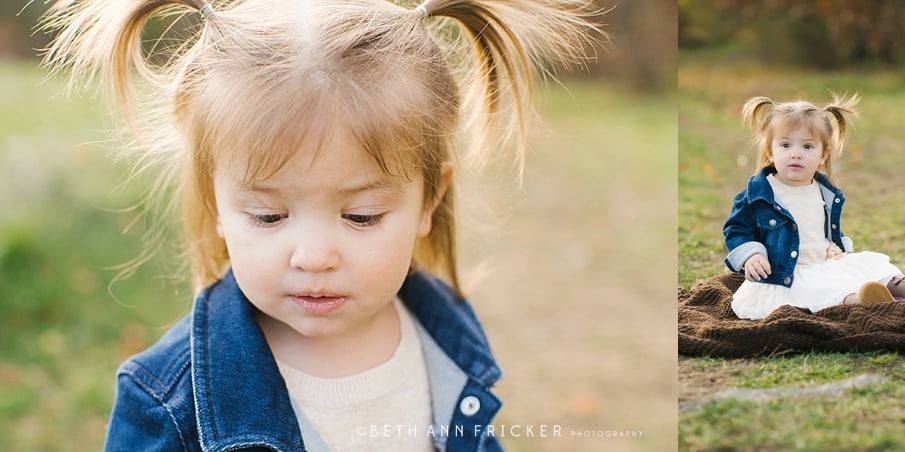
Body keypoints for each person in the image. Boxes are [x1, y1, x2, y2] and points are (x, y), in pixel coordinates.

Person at [41, 0, 601, 450]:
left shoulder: (446, 335)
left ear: (431, 200)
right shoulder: (167, 399)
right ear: (215, 205)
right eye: (268, 215)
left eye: (361, 216)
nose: (312, 255)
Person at [723, 93, 905, 321]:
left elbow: (821, 231)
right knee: (828, 292)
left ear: (823, 155)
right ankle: (867, 302)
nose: (795, 154)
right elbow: (736, 229)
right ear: (770, 151)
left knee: (873, 267)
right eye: (786, 145)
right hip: (788, 276)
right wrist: (752, 254)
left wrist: (837, 247)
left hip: (826, 263)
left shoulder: (823, 190)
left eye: (807, 147)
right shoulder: (757, 194)